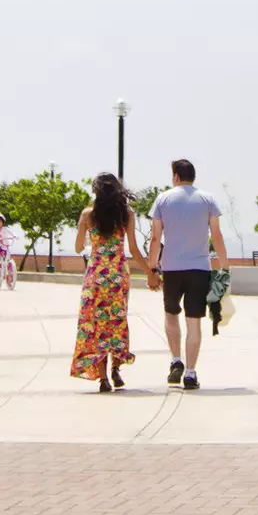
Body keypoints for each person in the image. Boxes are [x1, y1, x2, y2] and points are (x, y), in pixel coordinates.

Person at [145, 158, 229, 391]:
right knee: (194, 322)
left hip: (172, 268)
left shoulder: (163, 199)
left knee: (171, 314)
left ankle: (175, 360)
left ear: (176, 177)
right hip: (200, 269)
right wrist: (224, 266)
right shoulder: (208, 199)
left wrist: (153, 267)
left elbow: (155, 237)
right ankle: (190, 373)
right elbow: (217, 235)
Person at [70, 173, 138, 393]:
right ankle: (117, 368)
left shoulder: (88, 215)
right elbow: (134, 250)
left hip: (96, 276)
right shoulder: (126, 214)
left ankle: (103, 379)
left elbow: (78, 248)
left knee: (96, 324)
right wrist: (151, 272)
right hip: (118, 274)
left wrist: (89, 235)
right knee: (117, 320)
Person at [0, 211, 22, 290]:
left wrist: (15, 236)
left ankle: (9, 277)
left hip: (5, 247)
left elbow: (12, 233)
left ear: (3, 222)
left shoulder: (5, 229)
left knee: (7, 261)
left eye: (0, 222)